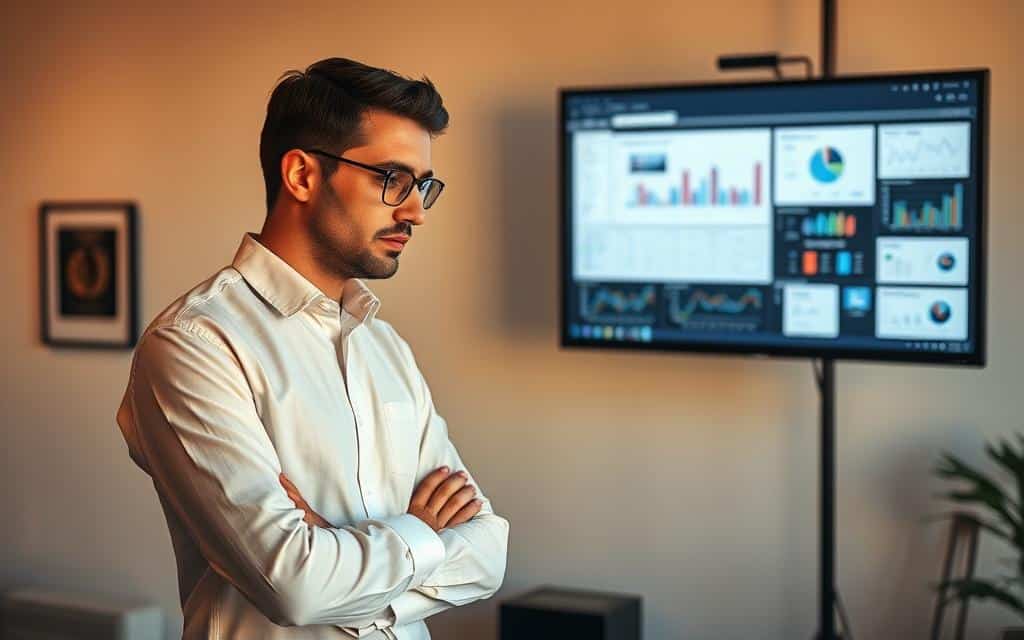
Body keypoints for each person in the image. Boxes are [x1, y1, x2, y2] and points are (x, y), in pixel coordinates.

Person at [115, 57, 509, 640]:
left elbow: (488, 553)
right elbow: (296, 586)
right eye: (393, 179)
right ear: (301, 175)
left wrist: (338, 548)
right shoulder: (194, 345)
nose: (416, 211)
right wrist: (422, 535)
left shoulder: (386, 346)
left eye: (423, 186)